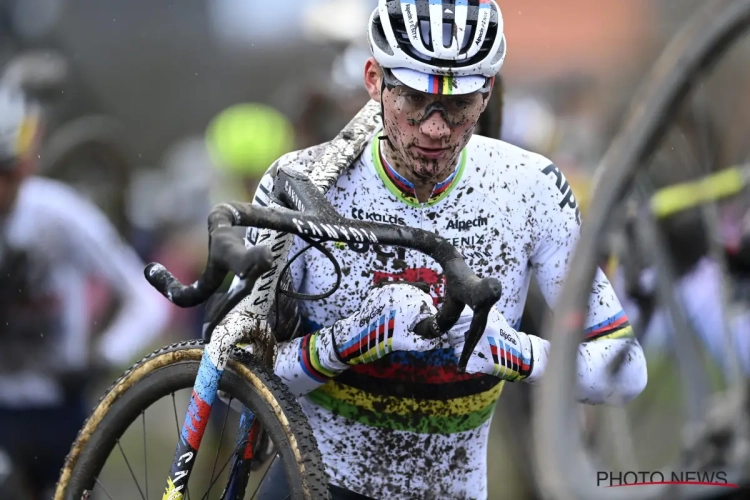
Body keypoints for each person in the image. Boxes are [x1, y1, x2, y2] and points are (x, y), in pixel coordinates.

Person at [230, 1, 648, 498]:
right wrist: (346, 342)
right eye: (411, 96)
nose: (434, 127)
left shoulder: (530, 188)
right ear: (373, 79)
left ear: (488, 91)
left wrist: (515, 353)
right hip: (316, 486)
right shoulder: (299, 182)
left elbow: (627, 370)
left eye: (459, 103)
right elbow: (235, 387)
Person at [0, 83, 170, 499]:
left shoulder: (58, 214)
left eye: (5, 173)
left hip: (61, 408)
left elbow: (147, 297)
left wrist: (103, 358)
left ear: (23, 166)